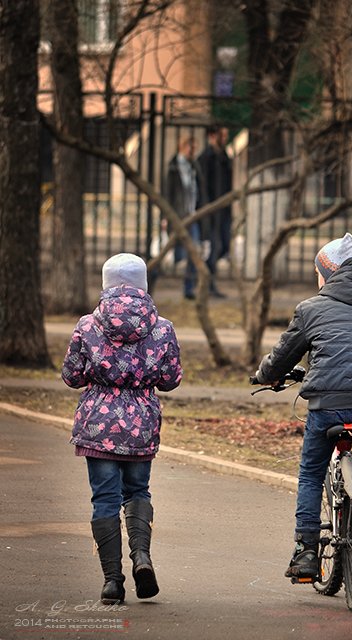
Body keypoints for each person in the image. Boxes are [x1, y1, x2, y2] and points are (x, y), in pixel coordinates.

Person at [254, 232, 352, 581]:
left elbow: (282, 356)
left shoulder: (310, 310)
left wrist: (265, 376)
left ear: (329, 273)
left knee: (310, 473)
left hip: (326, 406)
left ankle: (306, 552)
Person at [62, 253, 182, 603]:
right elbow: (171, 379)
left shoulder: (87, 325)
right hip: (140, 425)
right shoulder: (162, 328)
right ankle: (141, 557)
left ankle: (112, 582)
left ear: (106, 283)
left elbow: (71, 375)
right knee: (138, 492)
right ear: (143, 284)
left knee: (104, 499)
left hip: (98, 425)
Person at [165, 136, 206, 300]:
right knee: (169, 253)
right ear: (182, 147)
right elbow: (168, 194)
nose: (193, 151)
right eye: (191, 148)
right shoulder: (174, 167)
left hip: (192, 215)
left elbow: (198, 191)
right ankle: (151, 281)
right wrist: (166, 218)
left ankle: (189, 288)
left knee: (194, 252)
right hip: (177, 217)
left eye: (194, 148)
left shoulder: (194, 166)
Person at [197, 126, 233, 298]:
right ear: (212, 136)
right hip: (210, 212)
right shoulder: (205, 158)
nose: (225, 138)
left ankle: (208, 281)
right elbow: (203, 188)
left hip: (224, 211)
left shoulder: (224, 156)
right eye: (222, 135)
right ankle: (208, 285)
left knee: (224, 247)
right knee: (212, 248)